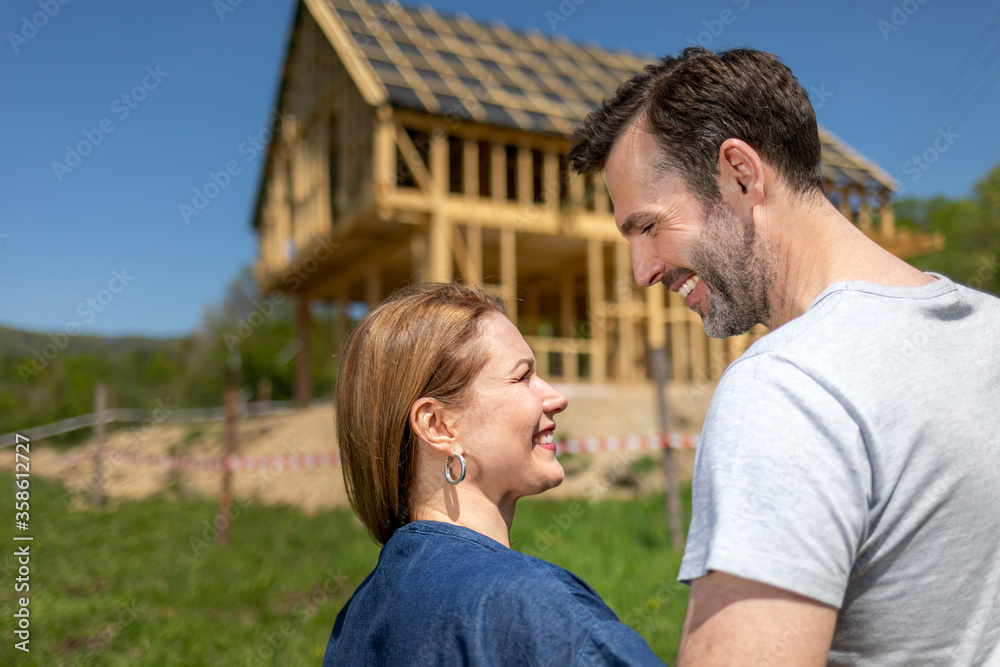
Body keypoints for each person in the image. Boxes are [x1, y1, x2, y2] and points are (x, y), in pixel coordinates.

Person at [569, 47, 1000, 665]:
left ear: (740, 174)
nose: (642, 272)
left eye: (649, 227)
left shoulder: (786, 387)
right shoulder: (991, 329)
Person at [323, 283, 665, 666]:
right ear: (437, 425)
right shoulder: (528, 604)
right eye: (522, 377)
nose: (556, 396)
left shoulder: (355, 622)